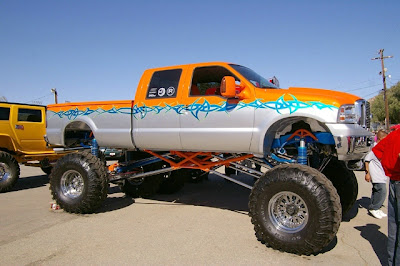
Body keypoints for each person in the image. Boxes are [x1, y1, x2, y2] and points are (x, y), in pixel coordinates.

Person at [372, 128, 400, 266]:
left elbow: (377, 151)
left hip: (394, 182)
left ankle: (391, 262)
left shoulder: (394, 134)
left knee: (393, 226)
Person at [365, 130, 388, 219]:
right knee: (382, 191)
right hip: (376, 175)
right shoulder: (374, 149)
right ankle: (375, 208)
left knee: (376, 190)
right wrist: (367, 173)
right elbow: (367, 160)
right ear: (381, 138)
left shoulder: (381, 147)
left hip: (381, 174)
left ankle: (374, 207)